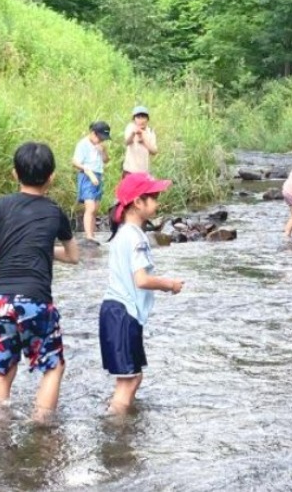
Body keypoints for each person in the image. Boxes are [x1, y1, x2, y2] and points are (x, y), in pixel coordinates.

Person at [0, 142, 80, 422]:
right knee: (53, 367)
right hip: (36, 300)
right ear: (51, 177)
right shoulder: (55, 212)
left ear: (14, 174)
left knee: (4, 369)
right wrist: (40, 248)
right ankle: (41, 427)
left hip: (0, 300)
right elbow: (72, 256)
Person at [99, 172, 183, 413]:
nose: (157, 202)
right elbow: (142, 279)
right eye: (153, 197)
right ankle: (117, 435)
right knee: (128, 382)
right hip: (123, 314)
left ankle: (120, 426)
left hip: (116, 311)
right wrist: (170, 284)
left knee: (132, 378)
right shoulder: (136, 237)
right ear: (138, 202)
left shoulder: (123, 233)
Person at [72, 121, 110, 245]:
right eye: (99, 138)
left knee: (96, 209)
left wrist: (102, 151)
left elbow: (106, 160)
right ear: (93, 133)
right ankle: (88, 236)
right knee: (90, 207)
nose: (101, 140)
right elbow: (75, 162)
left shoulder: (101, 145)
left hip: (98, 175)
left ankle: (92, 235)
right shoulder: (83, 144)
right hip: (87, 176)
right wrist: (87, 171)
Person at [122, 106, 158, 177]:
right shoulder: (130, 127)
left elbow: (154, 151)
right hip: (130, 170)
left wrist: (144, 141)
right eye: (138, 117)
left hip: (144, 171)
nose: (141, 120)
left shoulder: (150, 132)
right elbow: (127, 142)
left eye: (143, 117)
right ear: (134, 119)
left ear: (147, 119)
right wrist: (133, 133)